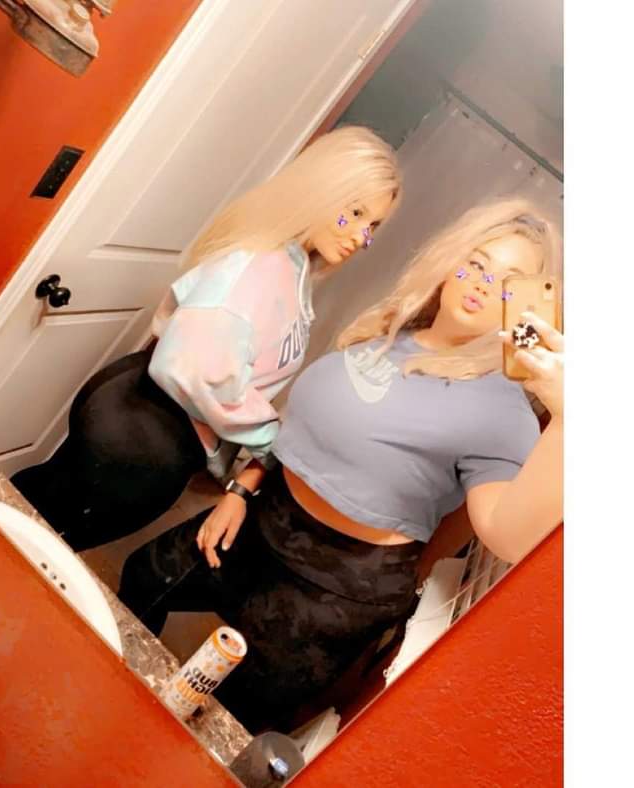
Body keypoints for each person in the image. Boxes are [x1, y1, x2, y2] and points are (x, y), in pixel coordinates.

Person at [117, 197, 564, 733]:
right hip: (264, 517)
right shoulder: (392, 330)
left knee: (223, 721)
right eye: (476, 263)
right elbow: (302, 429)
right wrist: (240, 490)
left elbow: (506, 537)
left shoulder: (504, 409)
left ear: (527, 307)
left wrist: (567, 418)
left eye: (507, 284)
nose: (482, 285)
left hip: (338, 586)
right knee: (143, 576)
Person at [11, 126, 402, 551]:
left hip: (151, 421)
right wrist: (273, 439)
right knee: (28, 541)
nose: (360, 236)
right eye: (354, 212)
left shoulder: (294, 267)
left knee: (29, 520)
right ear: (321, 190)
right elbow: (193, 369)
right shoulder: (261, 265)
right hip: (144, 433)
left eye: (372, 225)